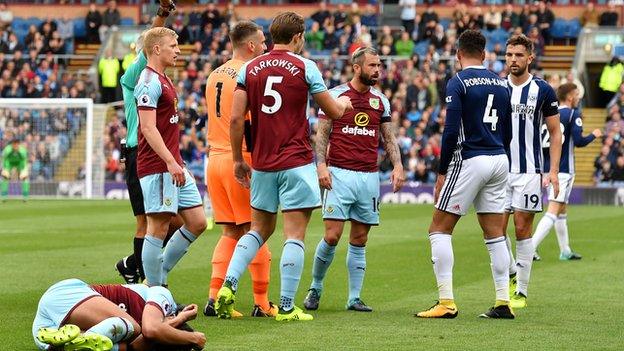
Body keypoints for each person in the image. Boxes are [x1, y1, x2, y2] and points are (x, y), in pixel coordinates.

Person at [215, 11, 352, 322]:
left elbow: (236, 119)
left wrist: (239, 159)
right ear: (298, 37)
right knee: (294, 235)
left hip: (262, 163)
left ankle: (229, 285)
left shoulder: (249, 69)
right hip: (296, 162)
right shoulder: (306, 66)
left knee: (258, 230)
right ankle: (287, 307)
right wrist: (343, 104)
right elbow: (332, 110)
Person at [415, 30, 514, 320]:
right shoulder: (501, 83)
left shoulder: (458, 82)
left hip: (469, 158)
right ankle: (502, 302)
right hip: (499, 158)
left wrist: (442, 170)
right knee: (495, 234)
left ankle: (446, 302)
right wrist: (500, 153)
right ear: (484, 55)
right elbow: (507, 131)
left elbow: (449, 131)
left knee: (438, 229)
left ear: (458, 54)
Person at [302, 47, 405, 313]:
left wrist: (398, 165)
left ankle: (354, 298)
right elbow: (322, 134)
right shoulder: (335, 95)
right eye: (372, 66)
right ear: (356, 67)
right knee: (332, 236)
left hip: (369, 176)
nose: (377, 70)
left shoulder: (380, 100)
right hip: (339, 174)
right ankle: (315, 287)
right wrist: (321, 165)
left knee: (360, 239)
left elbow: (388, 137)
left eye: (379, 66)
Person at [203, 21, 277, 318]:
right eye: (261, 43)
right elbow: (244, 122)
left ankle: (212, 298)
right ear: (250, 46)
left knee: (231, 232)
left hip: (214, 159)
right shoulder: (250, 74)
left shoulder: (214, 74)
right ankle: (261, 302)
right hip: (240, 159)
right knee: (255, 231)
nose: (265, 48)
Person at [115, 0, 183, 285]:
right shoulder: (134, 77)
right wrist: (161, 16)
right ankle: (143, 278)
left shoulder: (154, 77)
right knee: (147, 222)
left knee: (176, 221)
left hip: (151, 152)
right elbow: (149, 46)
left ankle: (134, 262)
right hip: (140, 152)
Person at [134, 27, 207, 288]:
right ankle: (154, 294)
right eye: (173, 45)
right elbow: (148, 128)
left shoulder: (163, 78)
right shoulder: (148, 82)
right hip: (158, 166)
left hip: (174, 164)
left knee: (198, 222)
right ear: (156, 49)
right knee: (158, 227)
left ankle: (156, 275)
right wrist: (170, 161)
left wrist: (176, 161)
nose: (178, 50)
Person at [502, 34, 561, 309]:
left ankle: (521, 291)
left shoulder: (543, 90)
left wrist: (554, 171)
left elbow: (554, 131)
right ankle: (512, 271)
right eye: (509, 54)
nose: (513, 59)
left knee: (522, 228)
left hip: (529, 170)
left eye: (518, 55)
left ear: (530, 57)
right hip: (499, 170)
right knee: (494, 230)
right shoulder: (497, 87)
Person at [532, 83, 602, 261]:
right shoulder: (572, 114)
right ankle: (530, 248)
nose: (579, 97)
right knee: (554, 210)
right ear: (570, 97)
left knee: (561, 210)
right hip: (563, 170)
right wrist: (594, 134)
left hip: (548, 168)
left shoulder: (548, 114)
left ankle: (565, 250)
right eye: (577, 94)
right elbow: (578, 141)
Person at [33, 278, 205, 351]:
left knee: (109, 346)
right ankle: (83, 337)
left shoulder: (143, 343)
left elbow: (141, 342)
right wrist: (191, 335)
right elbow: (152, 329)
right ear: (171, 315)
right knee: (134, 327)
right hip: (66, 294)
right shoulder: (161, 295)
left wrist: (190, 335)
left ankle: (75, 341)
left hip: (46, 336)